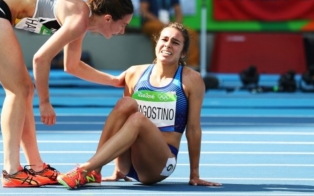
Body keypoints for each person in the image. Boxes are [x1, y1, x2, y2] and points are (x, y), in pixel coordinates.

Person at [0, 0, 134, 187]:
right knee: (18, 90)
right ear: (108, 18)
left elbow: (72, 65)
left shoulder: (81, 19)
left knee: (23, 90)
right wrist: (45, 102)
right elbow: (41, 58)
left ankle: (37, 167)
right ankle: (11, 171)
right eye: (123, 24)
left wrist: (114, 80)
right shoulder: (79, 19)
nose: (122, 31)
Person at [57, 22, 222, 189]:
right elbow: (121, 121)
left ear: (183, 52)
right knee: (126, 103)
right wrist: (117, 169)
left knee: (138, 120)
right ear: (157, 43)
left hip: (160, 164)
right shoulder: (135, 73)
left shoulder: (191, 80)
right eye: (164, 39)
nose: (168, 45)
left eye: (175, 42)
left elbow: (193, 129)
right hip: (129, 162)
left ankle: (85, 168)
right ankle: (95, 170)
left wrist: (195, 174)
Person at [139, 0, 200, 69]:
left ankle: (192, 66)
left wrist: (177, 25)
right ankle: (160, 63)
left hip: (168, 24)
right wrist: (161, 23)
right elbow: (144, 11)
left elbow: (178, 12)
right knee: (159, 30)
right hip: (151, 24)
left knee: (191, 33)